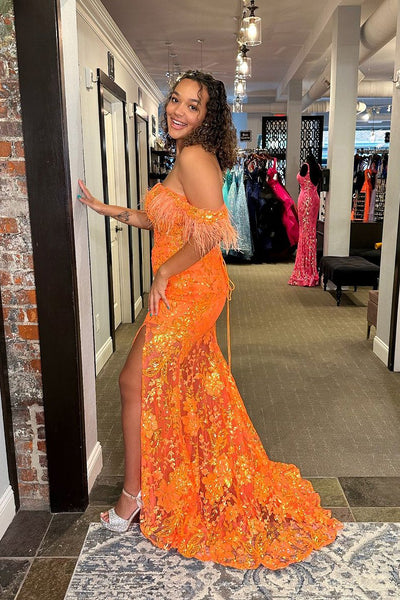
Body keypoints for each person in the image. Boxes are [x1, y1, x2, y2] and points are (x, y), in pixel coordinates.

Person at [78, 71, 342, 570]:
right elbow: (161, 219)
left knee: (135, 380)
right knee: (168, 383)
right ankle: (161, 482)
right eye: (175, 100)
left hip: (192, 288)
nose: (177, 110)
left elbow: (213, 232)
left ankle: (134, 495)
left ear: (207, 116)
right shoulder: (185, 154)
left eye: (192, 105)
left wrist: (163, 274)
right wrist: (106, 209)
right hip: (184, 286)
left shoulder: (194, 157)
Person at [288, 152, 322, 287]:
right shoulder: (317, 167)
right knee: (310, 232)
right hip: (314, 199)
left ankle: (304, 270)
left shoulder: (305, 166)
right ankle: (310, 269)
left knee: (304, 232)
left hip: (305, 200)